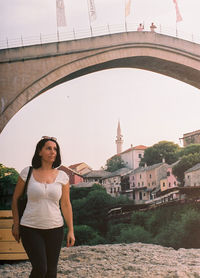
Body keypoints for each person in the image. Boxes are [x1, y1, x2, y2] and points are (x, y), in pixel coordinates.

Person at [12, 136, 75, 278]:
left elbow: (65, 204)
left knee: (51, 271)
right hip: (30, 227)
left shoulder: (63, 176)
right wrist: (16, 224)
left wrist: (71, 230)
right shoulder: (27, 172)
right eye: (48, 148)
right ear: (39, 152)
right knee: (40, 268)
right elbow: (15, 199)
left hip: (55, 228)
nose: (53, 152)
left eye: (55, 149)